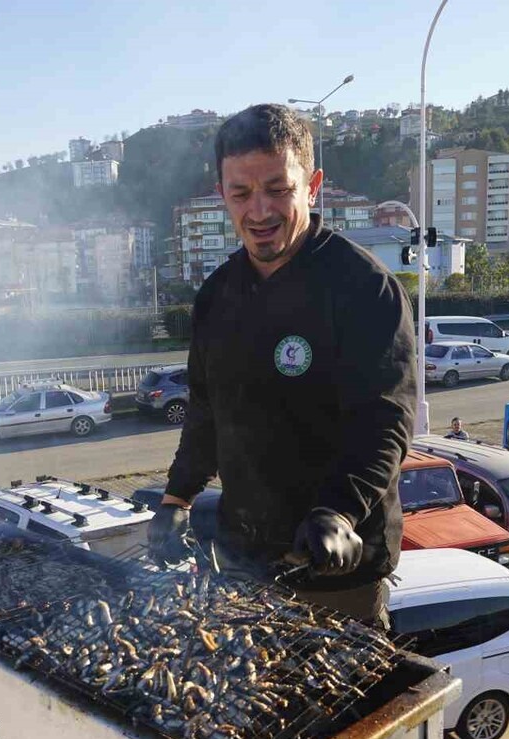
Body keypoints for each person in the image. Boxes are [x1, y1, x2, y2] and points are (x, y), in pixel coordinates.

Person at [146, 104, 416, 630]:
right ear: (222, 193)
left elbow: (385, 421)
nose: (260, 211)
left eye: (277, 188)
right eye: (241, 193)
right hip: (244, 555)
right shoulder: (217, 295)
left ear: (312, 185)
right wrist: (178, 497)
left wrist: (338, 510)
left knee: (344, 706)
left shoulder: (363, 288)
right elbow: (205, 408)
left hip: (337, 563)